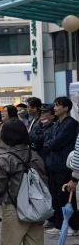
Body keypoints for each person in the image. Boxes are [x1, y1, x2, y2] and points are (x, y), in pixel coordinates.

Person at [42, 97, 79, 234]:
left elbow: (57, 142)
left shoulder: (71, 123)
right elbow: (47, 140)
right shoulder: (56, 124)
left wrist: (49, 145)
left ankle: (71, 225)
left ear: (66, 108)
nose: (55, 108)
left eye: (58, 105)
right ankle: (59, 225)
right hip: (53, 164)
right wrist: (49, 145)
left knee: (65, 197)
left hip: (64, 164)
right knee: (55, 196)